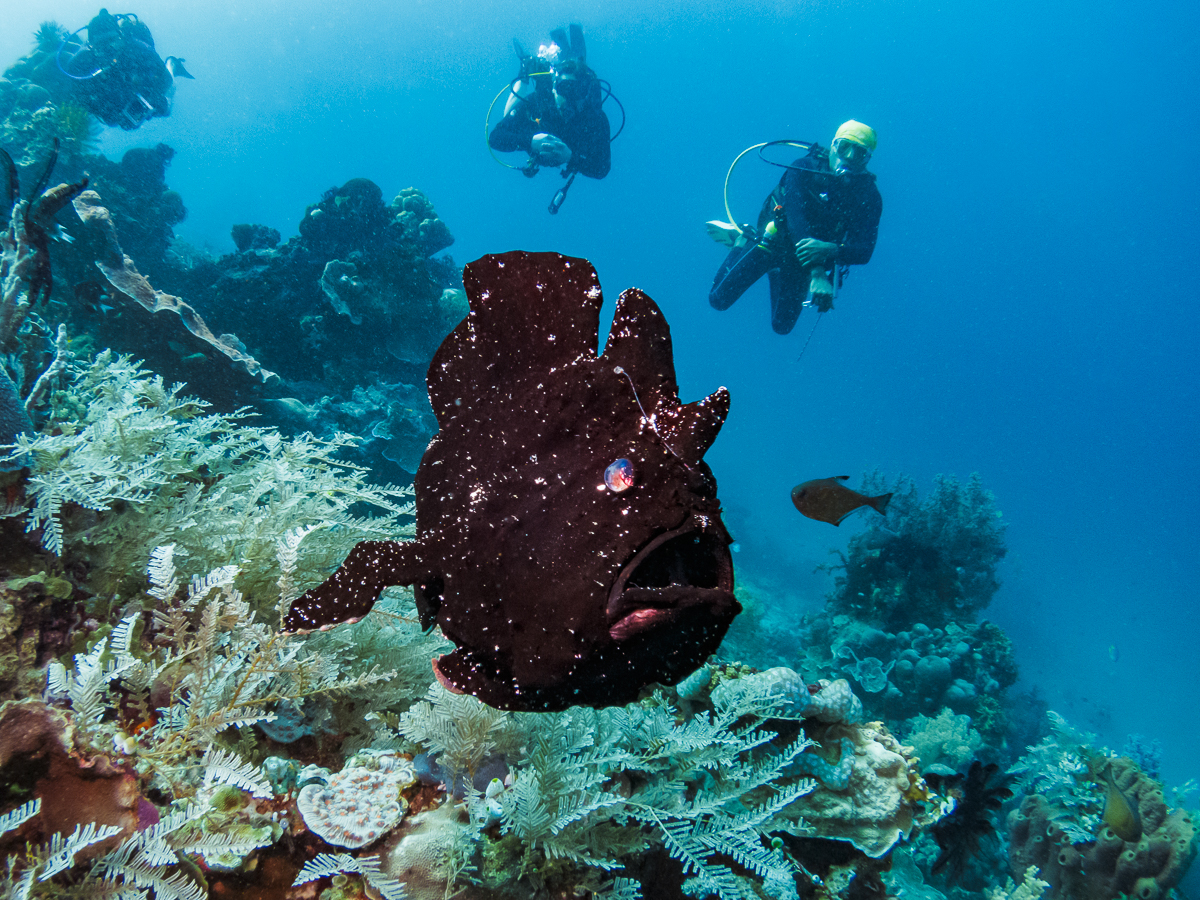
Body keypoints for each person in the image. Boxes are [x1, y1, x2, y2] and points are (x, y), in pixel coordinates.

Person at [708, 121, 882, 335]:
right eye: (844, 146)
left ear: (867, 159)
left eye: (860, 153)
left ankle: (775, 270)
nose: (849, 156)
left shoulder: (869, 197)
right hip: (772, 242)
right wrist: (818, 274)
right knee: (718, 300)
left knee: (782, 326)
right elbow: (796, 219)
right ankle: (741, 240)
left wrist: (831, 249)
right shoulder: (803, 168)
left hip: (801, 261)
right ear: (833, 146)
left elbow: (865, 251)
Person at [488, 25, 611, 182]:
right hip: (536, 125)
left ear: (584, 94)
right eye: (564, 89)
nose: (569, 98)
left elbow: (602, 169)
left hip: (569, 150)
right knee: (509, 115)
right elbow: (495, 137)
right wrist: (530, 141)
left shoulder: (594, 117)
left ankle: (573, 53)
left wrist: (571, 157)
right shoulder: (539, 102)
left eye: (577, 92)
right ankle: (525, 71)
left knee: (578, 65)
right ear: (554, 88)